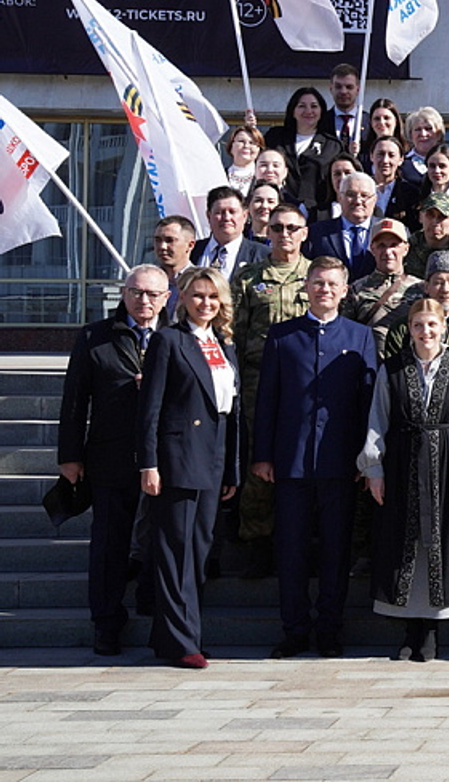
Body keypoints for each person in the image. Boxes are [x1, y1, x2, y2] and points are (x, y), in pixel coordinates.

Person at [251, 257, 377, 659]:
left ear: (344, 291)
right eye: (318, 283)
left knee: (336, 550)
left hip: (340, 464)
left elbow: (367, 402)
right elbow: (266, 399)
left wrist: (366, 458)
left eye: (332, 284)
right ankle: (295, 629)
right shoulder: (283, 336)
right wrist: (263, 455)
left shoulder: (360, 336)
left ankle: (329, 629)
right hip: (290, 462)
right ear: (306, 287)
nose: (325, 290)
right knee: (291, 549)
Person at [360, 297, 449, 662]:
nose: (426, 332)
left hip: (445, 464)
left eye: (432, 324)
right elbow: (378, 419)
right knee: (402, 540)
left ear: (443, 327)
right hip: (401, 462)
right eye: (419, 325)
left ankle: (432, 630)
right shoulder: (393, 369)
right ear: (410, 329)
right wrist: (374, 469)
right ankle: (408, 631)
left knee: (440, 542)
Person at [59, 264, 169, 656]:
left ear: (166, 298)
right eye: (137, 293)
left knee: (161, 540)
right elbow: (74, 400)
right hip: (110, 454)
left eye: (154, 294)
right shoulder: (96, 337)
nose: (145, 301)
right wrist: (69, 456)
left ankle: (154, 605)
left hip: (165, 457)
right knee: (109, 544)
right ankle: (106, 622)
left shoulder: (176, 336)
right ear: (124, 294)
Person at [137, 267, 241, 669]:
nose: (205, 304)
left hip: (212, 461)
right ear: (182, 298)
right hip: (178, 461)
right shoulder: (169, 341)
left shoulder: (223, 344)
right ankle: (182, 641)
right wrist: (148, 463)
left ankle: (175, 636)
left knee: (196, 554)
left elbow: (231, 413)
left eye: (213, 297)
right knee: (175, 553)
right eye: (197, 296)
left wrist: (231, 468)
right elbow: (151, 410)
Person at [230, 203, 311, 576]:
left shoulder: (316, 276)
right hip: (257, 380)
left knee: (301, 459)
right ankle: (256, 540)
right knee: (256, 459)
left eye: (292, 228)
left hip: (305, 384)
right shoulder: (248, 278)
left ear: (304, 232)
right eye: (277, 228)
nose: (285, 235)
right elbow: (236, 334)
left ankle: (300, 541)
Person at [341, 218, 421, 345]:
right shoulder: (356, 289)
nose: (388, 252)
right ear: (372, 249)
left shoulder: (420, 288)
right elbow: (347, 333)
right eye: (381, 246)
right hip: (370, 360)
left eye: (394, 245)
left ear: (406, 249)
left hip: (407, 361)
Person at [262, 87, 341, 216]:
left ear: (321, 111)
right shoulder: (275, 137)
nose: (308, 111)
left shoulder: (332, 145)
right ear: (293, 111)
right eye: (302, 106)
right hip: (278, 209)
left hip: (318, 214)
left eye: (314, 106)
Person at [306, 172, 382, 280]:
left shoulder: (387, 230)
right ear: (340, 198)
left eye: (364, 196)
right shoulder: (317, 232)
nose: (358, 201)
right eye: (351, 194)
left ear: (375, 200)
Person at [192, 186, 269, 280]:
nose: (227, 218)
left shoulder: (263, 256)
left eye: (232, 212)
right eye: (219, 212)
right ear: (208, 216)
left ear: (244, 216)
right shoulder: (192, 251)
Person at [151, 215, 197, 315]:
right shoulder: (146, 280)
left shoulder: (201, 282)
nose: (162, 247)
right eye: (158, 240)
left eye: (170, 240)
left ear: (190, 245)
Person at [223, 126, 264, 196]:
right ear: (231, 146)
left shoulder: (263, 177)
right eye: (241, 141)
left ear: (259, 149)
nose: (246, 146)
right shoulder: (221, 175)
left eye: (252, 143)